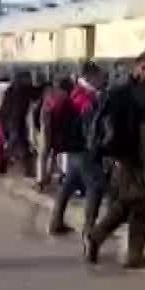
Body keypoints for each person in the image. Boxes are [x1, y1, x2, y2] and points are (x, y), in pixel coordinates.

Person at [83, 50, 145, 267]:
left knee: (132, 203)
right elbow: (110, 127)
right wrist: (112, 154)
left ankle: (113, 244)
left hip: (142, 157)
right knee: (136, 202)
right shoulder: (122, 93)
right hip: (128, 158)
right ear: (137, 66)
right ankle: (122, 249)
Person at [49, 62, 105, 237]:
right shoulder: (86, 97)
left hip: (72, 149)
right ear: (90, 76)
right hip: (84, 149)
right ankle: (89, 231)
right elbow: (92, 126)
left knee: (69, 184)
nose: (102, 80)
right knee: (94, 187)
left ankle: (56, 221)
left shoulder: (74, 93)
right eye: (100, 76)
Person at [35, 76, 72, 191]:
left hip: (45, 127)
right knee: (54, 153)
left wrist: (38, 127)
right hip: (57, 129)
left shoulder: (49, 96)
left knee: (43, 154)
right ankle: (48, 177)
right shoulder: (66, 98)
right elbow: (67, 117)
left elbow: (38, 111)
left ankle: (41, 180)